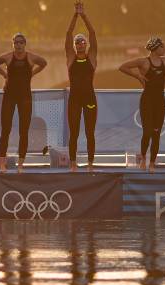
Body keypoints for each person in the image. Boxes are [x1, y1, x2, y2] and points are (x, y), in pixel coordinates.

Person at [0, 34, 47, 173]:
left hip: (25, 97)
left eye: (21, 42)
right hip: (9, 96)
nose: (18, 45)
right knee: (5, 130)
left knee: (24, 131)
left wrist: (32, 73)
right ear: (13, 44)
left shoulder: (31, 57)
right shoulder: (8, 57)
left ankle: (21, 164)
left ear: (25, 44)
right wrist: (4, 74)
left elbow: (44, 62)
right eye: (16, 42)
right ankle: (2, 163)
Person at [119, 36, 165, 172]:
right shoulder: (143, 62)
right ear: (154, 48)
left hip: (160, 100)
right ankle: (143, 158)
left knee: (156, 133)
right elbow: (122, 67)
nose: (164, 49)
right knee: (147, 132)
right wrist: (138, 76)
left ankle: (152, 163)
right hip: (147, 100)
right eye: (161, 47)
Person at [65, 1, 98, 172]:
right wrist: (74, 15)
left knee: (90, 133)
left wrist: (83, 15)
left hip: (89, 98)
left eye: (82, 42)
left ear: (86, 45)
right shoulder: (71, 58)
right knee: (74, 133)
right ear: (74, 46)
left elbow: (92, 33)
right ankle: (72, 163)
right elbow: (69, 33)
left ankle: (91, 164)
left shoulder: (91, 58)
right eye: (77, 42)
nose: (80, 44)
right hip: (74, 100)